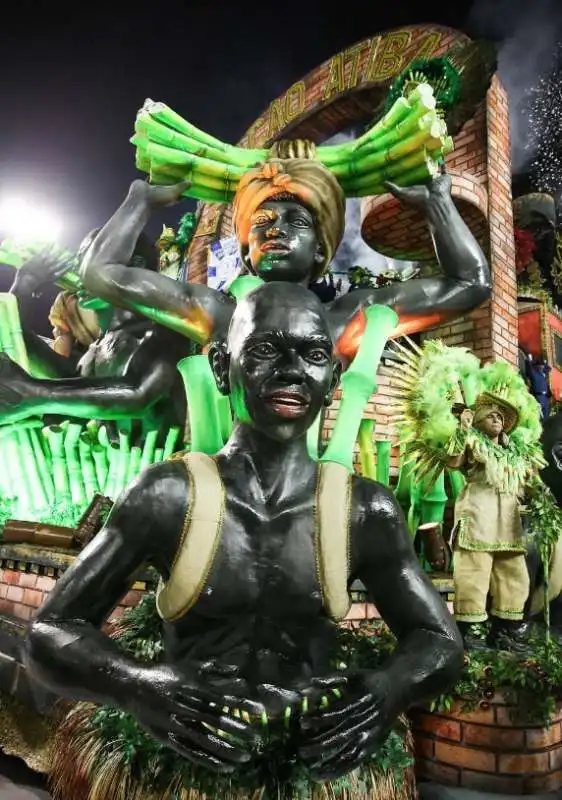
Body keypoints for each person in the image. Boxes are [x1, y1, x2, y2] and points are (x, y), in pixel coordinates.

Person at [24, 282, 463, 793]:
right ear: (220, 365)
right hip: (183, 763)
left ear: (335, 376)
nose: (292, 371)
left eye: (314, 354)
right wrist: (136, 685)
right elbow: (50, 631)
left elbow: (439, 641)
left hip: (306, 767)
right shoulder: (170, 497)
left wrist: (388, 689)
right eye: (264, 350)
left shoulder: (363, 510)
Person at [79, 150, 491, 362]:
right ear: (245, 250)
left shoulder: (346, 317)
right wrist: (139, 202)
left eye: (297, 221)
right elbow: (100, 273)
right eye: (261, 220)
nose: (275, 228)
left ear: (320, 252)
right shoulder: (217, 312)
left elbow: (471, 285)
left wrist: (439, 205)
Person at [0, 230, 194, 432]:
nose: (81, 273)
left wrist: (34, 393)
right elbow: (20, 344)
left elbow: (139, 393)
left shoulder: (165, 329)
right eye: (80, 263)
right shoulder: (93, 352)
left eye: (92, 261)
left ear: (136, 265)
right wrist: (24, 285)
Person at [447, 398, 531, 651]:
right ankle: (470, 633)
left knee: (514, 575)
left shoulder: (514, 453)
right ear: (478, 421)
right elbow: (452, 462)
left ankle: (505, 631)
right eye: (491, 416)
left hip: (508, 522)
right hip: (478, 516)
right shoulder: (472, 442)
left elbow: (528, 482)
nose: (498, 420)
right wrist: (463, 429)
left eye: (501, 418)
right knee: (474, 574)